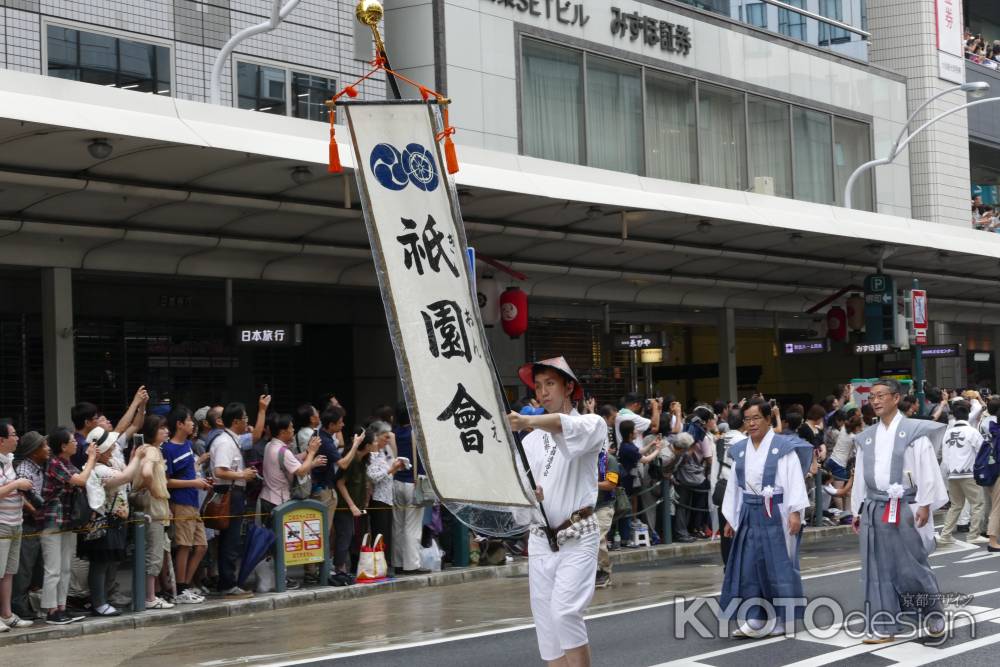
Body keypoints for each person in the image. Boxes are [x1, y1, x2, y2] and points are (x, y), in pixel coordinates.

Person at [507, 356, 607, 667]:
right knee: (546, 623)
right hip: (540, 539)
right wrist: (527, 496)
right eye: (538, 386)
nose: (543, 391)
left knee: (565, 612)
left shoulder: (592, 423)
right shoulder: (530, 441)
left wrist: (526, 420)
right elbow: (521, 493)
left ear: (569, 387)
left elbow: (565, 427)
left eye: (550, 383)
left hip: (579, 535)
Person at [850, 379, 948, 643]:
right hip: (874, 506)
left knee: (912, 566)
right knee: (877, 568)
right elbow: (860, 475)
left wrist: (925, 504)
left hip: (906, 504)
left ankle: (933, 613)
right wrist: (857, 509)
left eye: (881, 395)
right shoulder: (867, 437)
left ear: (896, 398)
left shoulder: (914, 431)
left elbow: (927, 468)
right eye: (872, 397)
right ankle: (884, 624)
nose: (876, 401)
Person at [719, 399, 811, 639]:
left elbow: (794, 480)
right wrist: (731, 517)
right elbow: (735, 486)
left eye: (756, 418)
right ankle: (755, 617)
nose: (751, 423)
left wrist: (794, 512)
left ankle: (781, 618)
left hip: (777, 511)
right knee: (749, 565)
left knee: (778, 566)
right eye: (747, 419)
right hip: (749, 511)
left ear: (769, 419)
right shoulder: (740, 450)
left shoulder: (782, 447)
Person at [79, 430, 146, 617]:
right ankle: (98, 602)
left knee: (110, 563)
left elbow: (127, 473)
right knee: (100, 563)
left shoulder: (111, 462)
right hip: (104, 521)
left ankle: (104, 599)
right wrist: (138, 457)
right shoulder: (97, 469)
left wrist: (134, 457)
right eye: (110, 446)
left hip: (117, 521)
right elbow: (124, 478)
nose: (114, 447)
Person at [41, 427, 96, 624]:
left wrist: (90, 461)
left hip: (66, 522)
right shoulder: (54, 464)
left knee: (65, 568)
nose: (76, 444)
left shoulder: (66, 463)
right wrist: (91, 459)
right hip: (52, 522)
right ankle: (51, 611)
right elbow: (81, 480)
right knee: (53, 569)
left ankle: (62, 607)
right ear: (63, 446)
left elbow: (81, 478)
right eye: (73, 441)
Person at [163, 406, 213, 603]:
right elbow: (166, 481)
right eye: (190, 420)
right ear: (179, 424)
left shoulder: (187, 446)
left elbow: (190, 471)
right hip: (181, 502)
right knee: (184, 546)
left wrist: (201, 480)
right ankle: (180, 589)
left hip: (193, 501)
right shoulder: (168, 449)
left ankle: (184, 584)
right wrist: (194, 483)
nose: (193, 424)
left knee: (201, 546)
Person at [210, 402, 259, 598]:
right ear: (237, 421)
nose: (247, 421)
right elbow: (219, 470)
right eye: (245, 418)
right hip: (230, 493)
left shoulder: (234, 439)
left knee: (230, 540)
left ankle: (228, 582)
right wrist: (242, 475)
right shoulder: (224, 442)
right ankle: (228, 584)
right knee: (230, 541)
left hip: (234, 493)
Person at [134, 415, 175, 610]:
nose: (166, 431)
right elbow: (147, 473)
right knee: (154, 554)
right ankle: (149, 597)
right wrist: (156, 491)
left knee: (152, 552)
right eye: (161, 428)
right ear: (152, 432)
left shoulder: (147, 450)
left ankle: (147, 595)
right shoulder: (152, 451)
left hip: (157, 509)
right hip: (154, 509)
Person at [938, 400, 988, 545]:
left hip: (952, 474)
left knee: (956, 505)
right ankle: (973, 534)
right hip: (969, 473)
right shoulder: (972, 432)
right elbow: (982, 452)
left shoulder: (948, 433)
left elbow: (944, 454)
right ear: (967, 416)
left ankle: (945, 535)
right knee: (978, 504)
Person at [12, 431, 49, 621]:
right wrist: (35, 511)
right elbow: (21, 494)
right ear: (34, 451)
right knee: (24, 567)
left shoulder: (39, 467)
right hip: (28, 524)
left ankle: (29, 603)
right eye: (44, 446)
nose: (48, 449)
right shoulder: (25, 469)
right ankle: (18, 606)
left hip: (38, 523)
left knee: (36, 566)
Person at [0, 421, 33, 632]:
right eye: (13, 434)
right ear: (1, 440)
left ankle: (7, 614)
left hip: (16, 522)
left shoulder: (9, 460)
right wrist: (16, 485)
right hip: (1, 523)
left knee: (9, 571)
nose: (17, 438)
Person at [332, 429, 370, 586]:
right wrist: (352, 505)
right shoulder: (352, 460)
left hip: (356, 506)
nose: (376, 444)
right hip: (344, 506)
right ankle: (339, 570)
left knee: (349, 536)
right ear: (366, 445)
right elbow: (340, 483)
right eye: (373, 442)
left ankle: (342, 568)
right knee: (344, 536)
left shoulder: (363, 460)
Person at [392, 404, 426, 574]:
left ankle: (397, 563)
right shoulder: (416, 433)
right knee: (412, 526)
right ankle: (412, 564)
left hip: (396, 482)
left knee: (398, 525)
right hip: (413, 484)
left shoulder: (394, 433)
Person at [366, 422, 405, 570]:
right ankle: (380, 565)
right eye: (385, 437)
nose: (387, 440)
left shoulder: (383, 453)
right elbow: (373, 476)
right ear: (376, 437)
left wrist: (395, 468)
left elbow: (387, 474)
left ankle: (386, 564)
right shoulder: (372, 455)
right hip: (378, 499)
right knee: (379, 533)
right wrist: (391, 470)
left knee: (387, 533)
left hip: (387, 498)